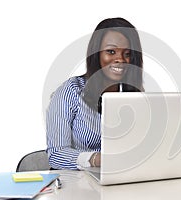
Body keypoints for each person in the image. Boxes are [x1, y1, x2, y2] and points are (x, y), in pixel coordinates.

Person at [46, 17, 144, 170]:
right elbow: (56, 155)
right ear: (96, 54)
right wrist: (97, 159)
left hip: (120, 179)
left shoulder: (132, 96)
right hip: (77, 184)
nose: (120, 59)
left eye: (127, 53)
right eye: (111, 52)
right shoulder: (71, 91)